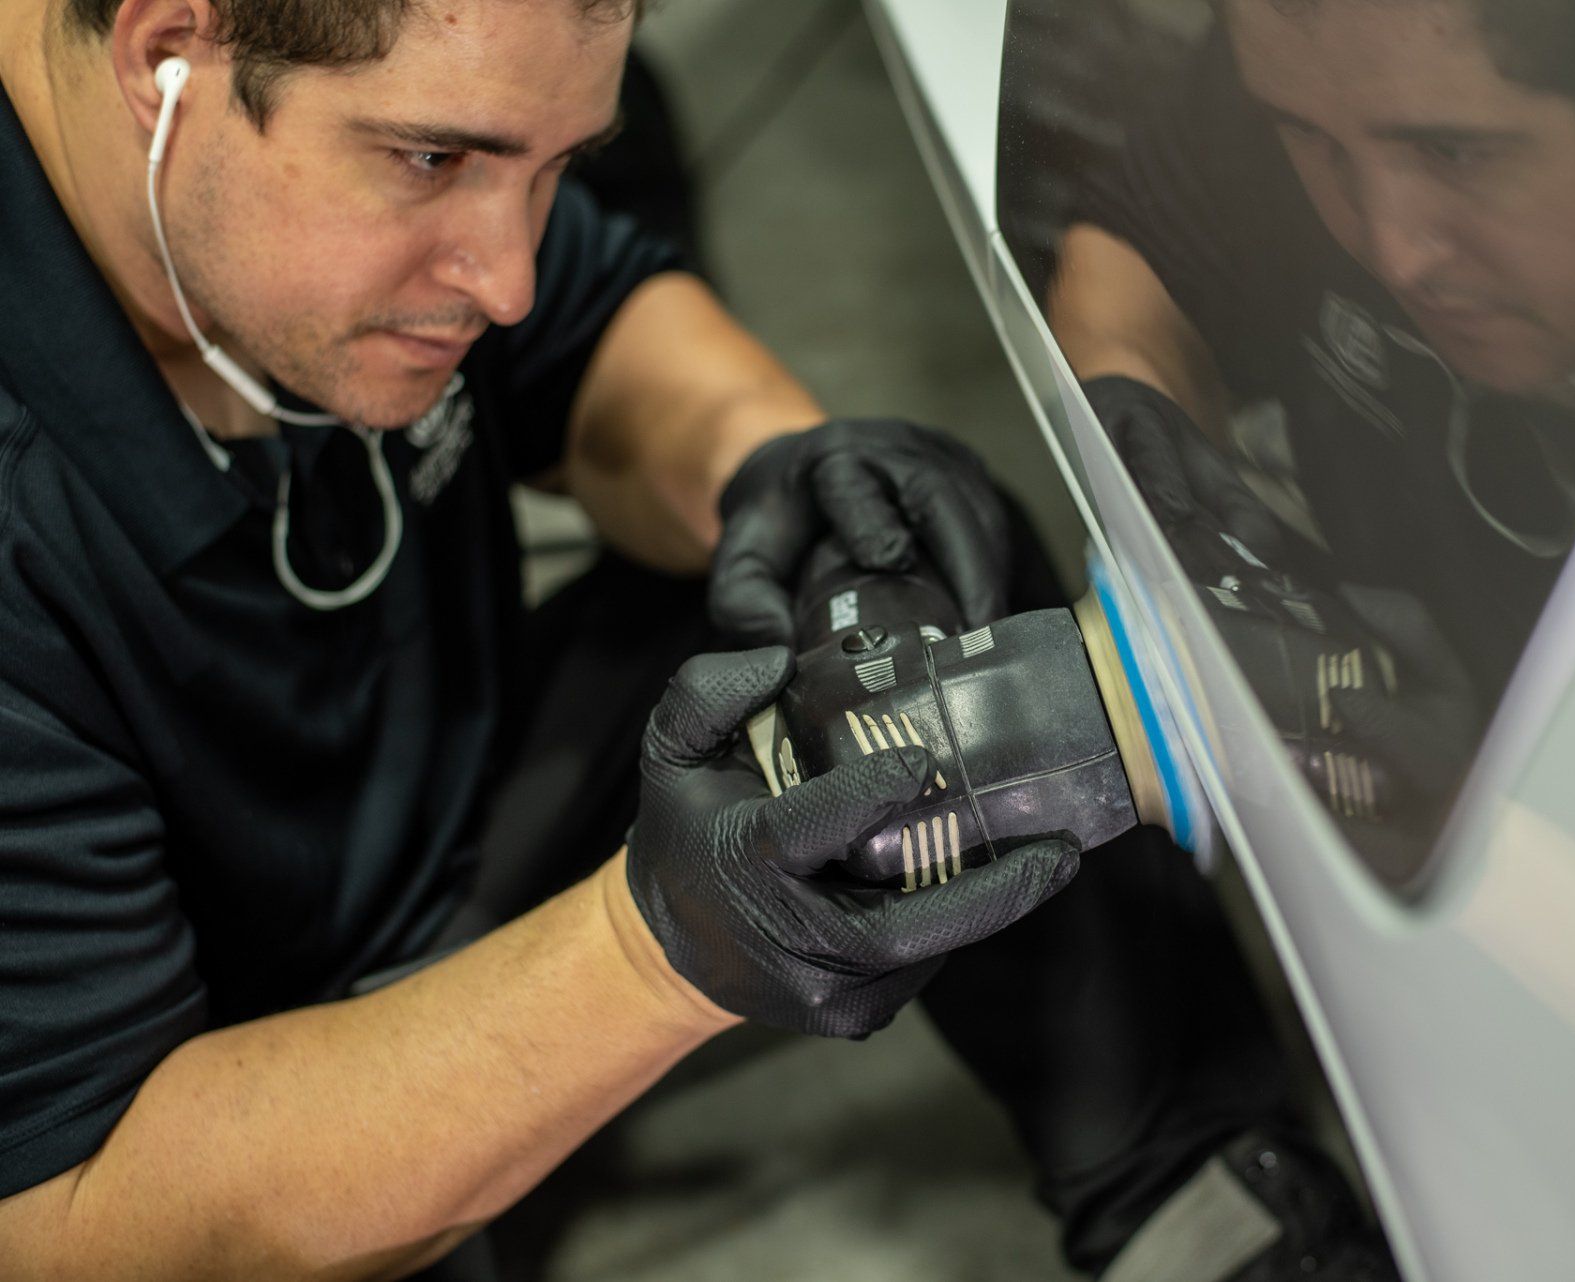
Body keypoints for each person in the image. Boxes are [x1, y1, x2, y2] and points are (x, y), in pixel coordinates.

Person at [0, 0, 1340, 1277]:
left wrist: (773, 468)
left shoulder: (311, 155)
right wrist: (652, 953)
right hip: (206, 1115)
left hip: (424, 811)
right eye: (431, 158)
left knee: (911, 572)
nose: (506, 276)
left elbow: (588, 334)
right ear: (166, 53)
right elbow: (75, 1215)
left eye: (550, 167)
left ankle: (1201, 1202)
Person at [1033, 0, 1575, 874]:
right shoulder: (1346, 68)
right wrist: (1152, 456)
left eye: (1458, 155)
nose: (1391, 249)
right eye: (1312, 140)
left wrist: (1478, 852)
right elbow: (1138, 248)